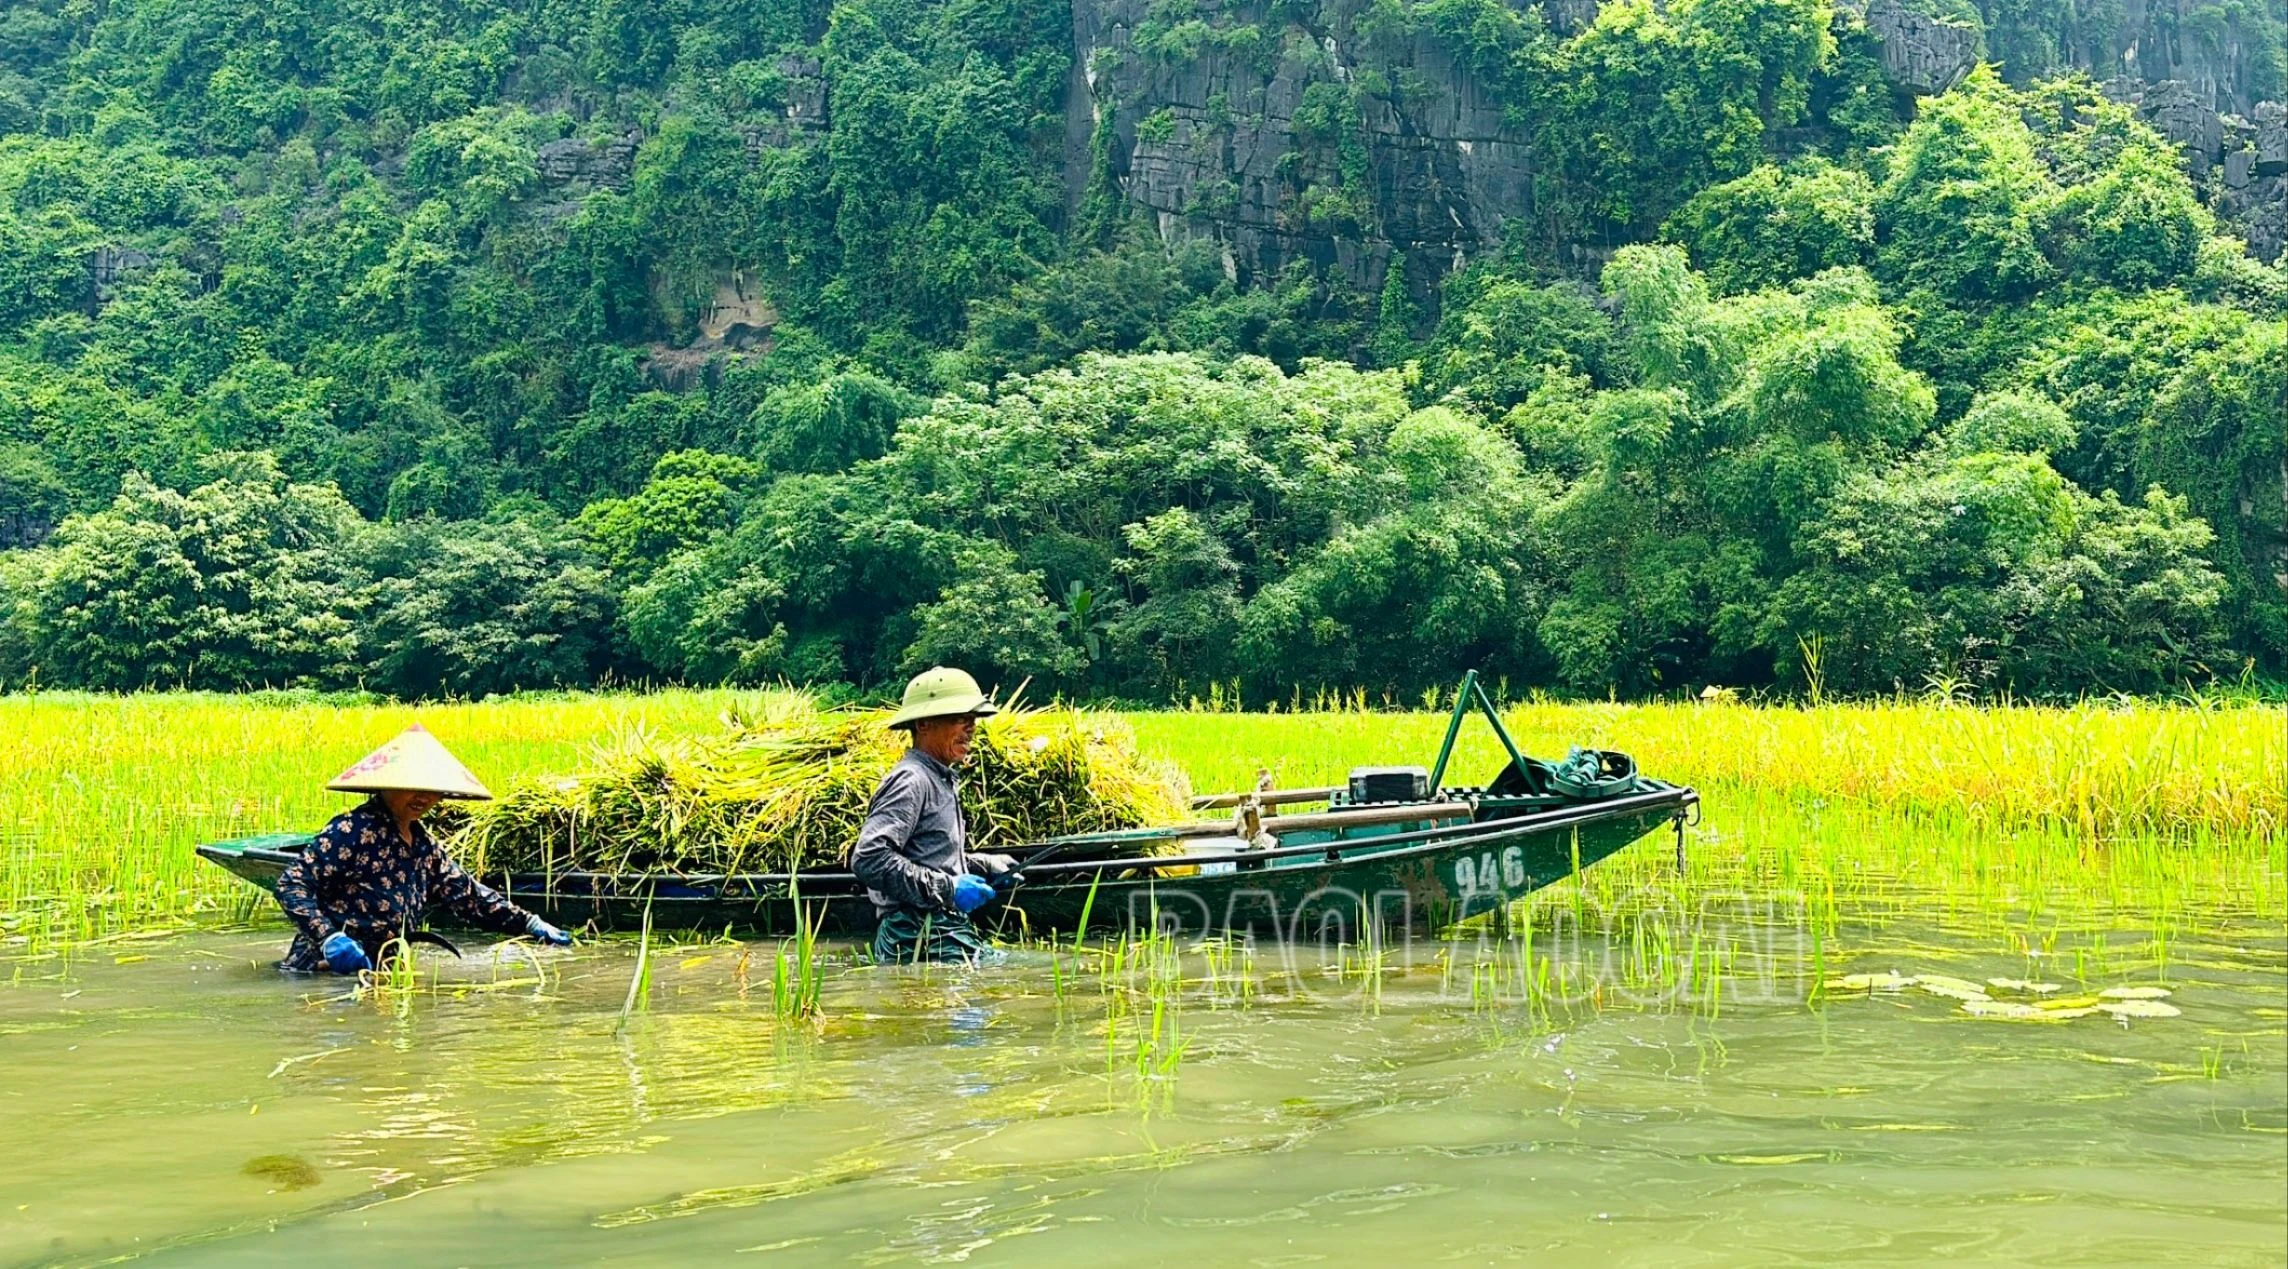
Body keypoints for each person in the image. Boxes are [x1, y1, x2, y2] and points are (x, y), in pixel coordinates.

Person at [275, 724, 573, 974]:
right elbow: (292, 883)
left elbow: (469, 897)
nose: (424, 797)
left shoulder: (423, 846)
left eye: (433, 789)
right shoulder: (352, 830)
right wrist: (328, 937)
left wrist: (530, 922)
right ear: (385, 784)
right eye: (412, 786)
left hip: (381, 974)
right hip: (324, 970)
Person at [851, 667, 1021, 964]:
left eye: (973, 720)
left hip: (940, 931)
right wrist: (950, 888)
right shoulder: (911, 780)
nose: (970, 728)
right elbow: (870, 858)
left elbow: (926, 857)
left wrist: (982, 864)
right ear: (924, 723)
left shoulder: (940, 779)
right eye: (959, 718)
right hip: (916, 935)